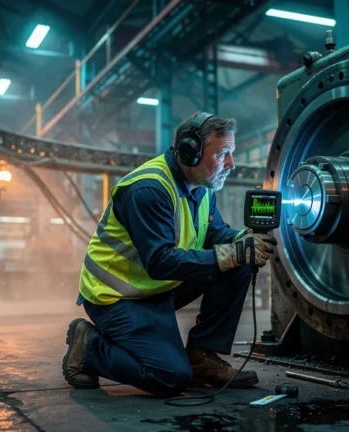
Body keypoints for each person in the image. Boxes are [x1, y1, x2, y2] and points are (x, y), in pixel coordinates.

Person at [61, 112, 278, 397]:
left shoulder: (202, 188)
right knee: (168, 377)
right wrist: (232, 253)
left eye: (232, 153)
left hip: (158, 289)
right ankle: (88, 346)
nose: (231, 164)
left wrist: (242, 240)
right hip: (117, 297)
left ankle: (201, 356)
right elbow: (160, 262)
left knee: (239, 261)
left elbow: (214, 236)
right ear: (191, 152)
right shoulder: (149, 190)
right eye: (223, 153)